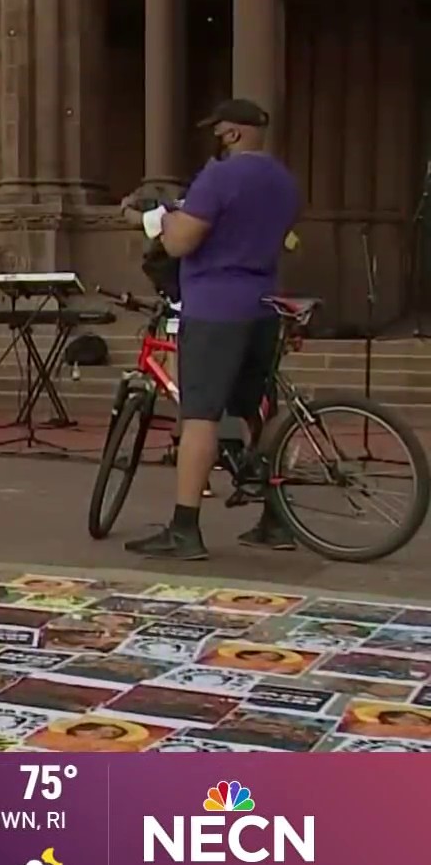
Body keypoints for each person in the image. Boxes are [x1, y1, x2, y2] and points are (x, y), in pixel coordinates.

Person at [124, 98, 300, 560]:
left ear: (232, 133)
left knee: (200, 414)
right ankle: (275, 518)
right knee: (256, 407)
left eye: (219, 130)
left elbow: (182, 241)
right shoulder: (284, 180)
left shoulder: (220, 176)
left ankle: (185, 527)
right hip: (264, 302)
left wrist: (162, 222)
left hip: (215, 305)